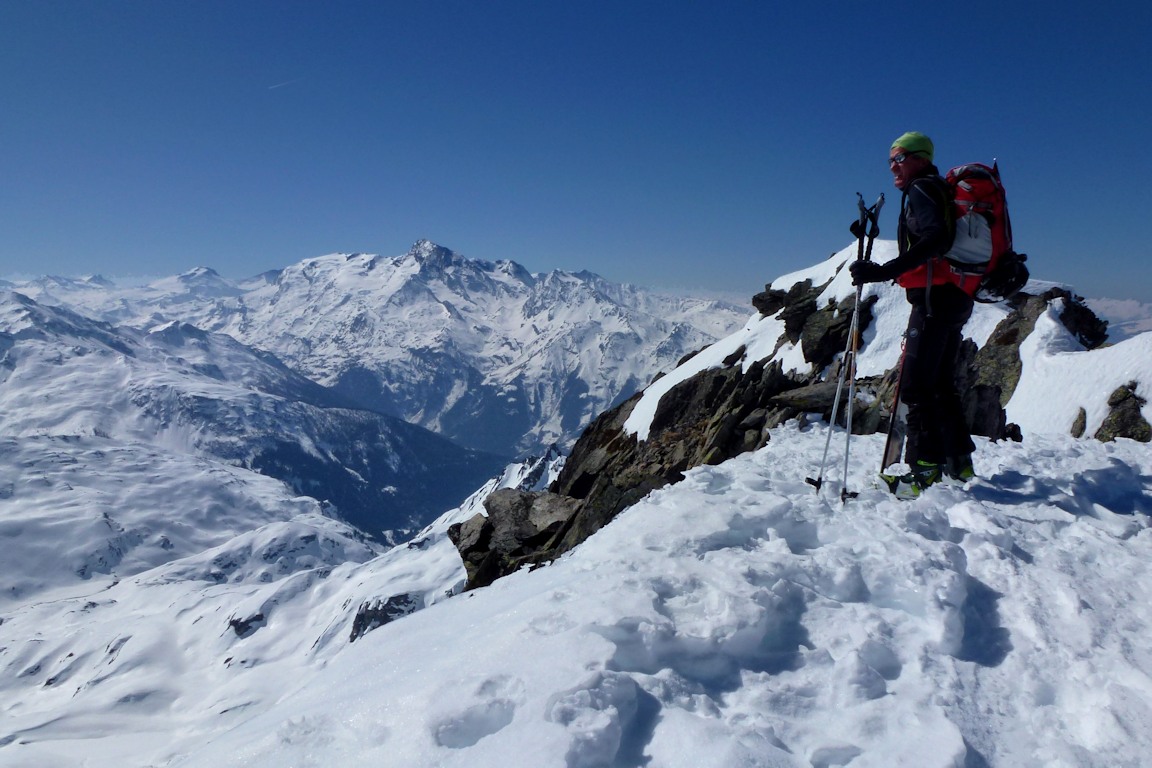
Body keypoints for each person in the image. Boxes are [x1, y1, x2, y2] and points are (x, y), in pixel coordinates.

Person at [849, 131, 976, 497]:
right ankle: (958, 463)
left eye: (900, 157)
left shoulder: (922, 190)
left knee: (916, 384)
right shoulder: (934, 188)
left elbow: (935, 238)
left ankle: (923, 472)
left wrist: (883, 271)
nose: (893, 165)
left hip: (935, 299)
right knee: (938, 383)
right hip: (953, 297)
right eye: (890, 159)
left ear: (921, 157)